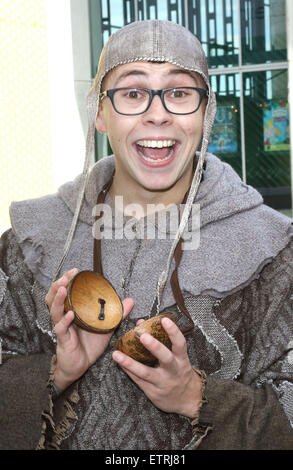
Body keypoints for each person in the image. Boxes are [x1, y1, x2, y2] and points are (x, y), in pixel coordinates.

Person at [1, 19, 293, 451]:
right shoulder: (28, 245)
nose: (158, 113)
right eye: (133, 93)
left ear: (206, 113)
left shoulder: (274, 249)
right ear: (100, 112)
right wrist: (56, 372)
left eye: (179, 93)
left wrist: (198, 398)